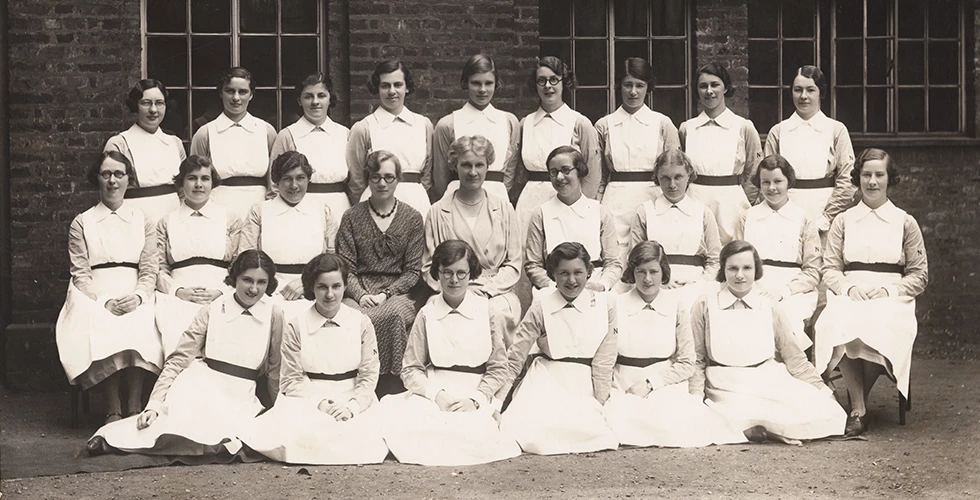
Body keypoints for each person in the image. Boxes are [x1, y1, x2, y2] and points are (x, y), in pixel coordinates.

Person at [88, 250, 284, 456]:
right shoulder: (213, 309)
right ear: (235, 278)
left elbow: (275, 370)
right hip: (201, 384)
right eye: (247, 280)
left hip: (241, 395)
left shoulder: (274, 314)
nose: (253, 289)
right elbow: (178, 360)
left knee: (228, 438)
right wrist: (153, 404)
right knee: (172, 426)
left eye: (261, 282)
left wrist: (279, 411)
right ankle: (109, 440)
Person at [815, 148, 928, 437]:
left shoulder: (905, 222)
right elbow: (830, 269)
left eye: (879, 175)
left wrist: (889, 290)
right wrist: (849, 288)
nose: (872, 182)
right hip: (851, 291)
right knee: (840, 319)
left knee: (880, 325)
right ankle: (859, 408)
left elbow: (919, 275)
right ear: (858, 178)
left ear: (890, 179)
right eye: (866, 175)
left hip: (892, 297)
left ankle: (855, 404)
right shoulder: (843, 220)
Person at [381, 240, 522, 465]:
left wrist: (476, 400)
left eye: (461, 273)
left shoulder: (487, 311)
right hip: (437, 392)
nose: (454, 280)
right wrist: (438, 396)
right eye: (447, 273)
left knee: (474, 434)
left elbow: (498, 368)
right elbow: (410, 369)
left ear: (471, 274)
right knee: (418, 431)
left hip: (475, 392)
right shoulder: (427, 313)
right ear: (437, 273)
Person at [691, 240, 846, 443]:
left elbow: (794, 357)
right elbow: (697, 359)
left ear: (756, 270)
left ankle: (761, 430)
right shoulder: (704, 305)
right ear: (723, 270)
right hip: (724, 385)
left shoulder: (768, 305)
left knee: (828, 412)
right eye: (733, 268)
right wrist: (694, 398)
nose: (740, 275)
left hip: (767, 378)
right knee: (713, 417)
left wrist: (822, 390)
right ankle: (756, 430)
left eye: (747, 268)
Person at [240, 253, 388, 464]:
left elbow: (368, 375)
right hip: (308, 398)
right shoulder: (296, 325)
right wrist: (322, 404)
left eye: (336, 286)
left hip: (352, 396)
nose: (330, 294)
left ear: (345, 286)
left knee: (359, 439)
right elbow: (291, 379)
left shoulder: (361, 323)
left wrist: (351, 408)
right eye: (322, 287)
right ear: (311, 288)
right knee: (304, 436)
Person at [603, 242, 746, 447]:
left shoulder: (676, 304)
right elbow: (606, 358)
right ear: (632, 272)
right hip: (624, 385)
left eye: (654, 271)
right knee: (622, 425)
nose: (647, 279)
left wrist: (651, 384)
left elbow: (688, 362)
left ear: (664, 273)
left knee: (677, 426)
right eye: (641, 271)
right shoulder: (616, 304)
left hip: (664, 384)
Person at [56, 151, 162, 424]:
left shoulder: (143, 220)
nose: (112, 181)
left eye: (119, 174)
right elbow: (80, 273)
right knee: (103, 321)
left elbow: (150, 268)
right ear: (97, 179)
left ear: (128, 180)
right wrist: (103, 301)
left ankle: (135, 402)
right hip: (95, 291)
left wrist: (139, 296)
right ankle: (112, 405)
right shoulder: (82, 222)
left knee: (141, 319)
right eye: (106, 174)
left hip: (134, 287)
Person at [484, 242, 618, 455]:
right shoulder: (541, 305)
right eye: (563, 273)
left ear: (589, 273)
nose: (571, 280)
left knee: (594, 432)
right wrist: (497, 404)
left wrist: (602, 405)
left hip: (585, 383)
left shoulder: (606, 304)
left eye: (578, 272)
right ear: (553, 275)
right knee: (533, 432)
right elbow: (515, 358)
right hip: (546, 381)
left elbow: (604, 361)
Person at [336, 150, 425, 392]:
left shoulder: (412, 218)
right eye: (375, 177)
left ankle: (393, 384)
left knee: (393, 315)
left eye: (389, 177)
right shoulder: (351, 217)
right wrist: (361, 295)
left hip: (398, 293)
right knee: (353, 317)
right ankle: (357, 381)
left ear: (398, 179)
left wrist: (386, 294)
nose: (382, 183)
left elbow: (413, 271)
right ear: (367, 179)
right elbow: (346, 268)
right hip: (358, 291)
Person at [423, 135, 523, 346]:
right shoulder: (438, 211)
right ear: (455, 167)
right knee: (435, 312)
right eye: (466, 165)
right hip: (452, 288)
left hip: (495, 291)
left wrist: (485, 290)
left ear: (488, 166)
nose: (473, 172)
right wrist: (459, 289)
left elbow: (513, 264)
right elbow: (429, 266)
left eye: (479, 165)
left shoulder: (503, 208)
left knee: (496, 312)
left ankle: (500, 373)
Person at [155, 155, 242, 356]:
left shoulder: (230, 219)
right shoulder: (167, 222)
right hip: (178, 299)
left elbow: (240, 265)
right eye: (192, 178)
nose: (198, 184)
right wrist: (178, 291)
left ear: (213, 183)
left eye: (205, 178)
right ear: (181, 182)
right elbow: (158, 268)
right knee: (180, 348)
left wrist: (221, 291)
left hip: (221, 295)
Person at [733, 154, 821, 351]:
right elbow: (735, 261)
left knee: (786, 320)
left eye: (778, 181)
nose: (772, 188)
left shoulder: (804, 218)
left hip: (793, 291)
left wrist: (784, 291)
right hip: (753, 285)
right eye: (766, 182)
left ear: (788, 181)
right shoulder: (746, 218)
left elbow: (813, 271)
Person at [595, 57, 680, 256]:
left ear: (648, 87)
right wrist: (596, 205)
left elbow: (675, 170)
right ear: (619, 86)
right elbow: (598, 176)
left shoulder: (662, 123)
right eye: (628, 85)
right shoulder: (604, 125)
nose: (633, 92)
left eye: (639, 85)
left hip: (653, 197)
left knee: (651, 253)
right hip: (615, 200)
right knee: (617, 252)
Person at [239, 151, 338, 319]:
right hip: (268, 292)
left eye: (300, 178)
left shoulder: (322, 210)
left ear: (308, 179)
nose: (294, 185)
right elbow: (245, 258)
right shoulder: (259, 211)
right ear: (277, 182)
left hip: (316, 290)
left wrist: (307, 283)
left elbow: (334, 259)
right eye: (287, 178)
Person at [514, 56, 601, 237]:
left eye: (554, 79)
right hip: (530, 203)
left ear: (564, 82)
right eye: (542, 80)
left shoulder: (579, 123)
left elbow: (593, 173)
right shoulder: (525, 124)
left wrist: (579, 207)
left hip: (567, 201)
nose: (548, 86)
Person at [765, 65, 856, 237]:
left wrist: (827, 217)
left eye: (810, 90)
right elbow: (767, 178)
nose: (803, 96)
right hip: (785, 211)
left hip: (825, 212)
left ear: (820, 92)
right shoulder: (778, 132)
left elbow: (847, 179)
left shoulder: (836, 130)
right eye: (798, 90)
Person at [680, 62, 763, 244]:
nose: (709, 91)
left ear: (725, 87)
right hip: (695, 200)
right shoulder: (687, 128)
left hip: (731, 204)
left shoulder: (743, 127)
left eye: (714, 84)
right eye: (703, 86)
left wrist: (739, 197)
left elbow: (754, 170)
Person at [628, 149, 722, 308]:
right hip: (655, 288)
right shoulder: (645, 212)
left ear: (689, 176)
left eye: (678, 177)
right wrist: (659, 282)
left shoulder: (703, 212)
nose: (672, 185)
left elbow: (715, 259)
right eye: (665, 178)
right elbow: (634, 259)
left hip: (696, 288)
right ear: (657, 178)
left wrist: (701, 284)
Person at [525, 146, 623, 294]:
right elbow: (533, 264)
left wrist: (602, 285)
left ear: (580, 171)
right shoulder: (541, 214)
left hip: (594, 287)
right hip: (553, 289)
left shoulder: (599, 211)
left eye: (565, 170)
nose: (559, 177)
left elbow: (613, 262)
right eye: (553, 172)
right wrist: (554, 286)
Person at [347, 59, 433, 219]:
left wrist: (418, 194)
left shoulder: (423, 124)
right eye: (385, 86)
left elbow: (427, 174)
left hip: (417, 202)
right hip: (376, 205)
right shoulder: (364, 128)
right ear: (377, 89)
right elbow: (356, 180)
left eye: (398, 85)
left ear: (407, 87)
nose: (392, 91)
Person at [190, 67, 278, 219]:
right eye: (230, 91)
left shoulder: (266, 131)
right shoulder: (205, 133)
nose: (236, 98)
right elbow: (194, 177)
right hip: (218, 208)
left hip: (259, 208)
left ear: (251, 95)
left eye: (242, 92)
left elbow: (275, 179)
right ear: (220, 93)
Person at [431, 54, 520, 202]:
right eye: (476, 83)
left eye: (489, 83)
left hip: (497, 199)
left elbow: (510, 171)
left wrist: (498, 192)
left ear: (496, 84)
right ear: (466, 83)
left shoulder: (509, 121)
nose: (482, 90)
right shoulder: (447, 124)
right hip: (458, 198)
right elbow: (440, 177)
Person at [269, 72, 352, 217]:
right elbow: (274, 184)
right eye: (308, 96)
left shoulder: (345, 134)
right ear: (299, 100)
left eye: (321, 95)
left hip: (340, 207)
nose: (315, 102)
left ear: (329, 98)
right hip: (301, 208)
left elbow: (355, 180)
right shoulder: (287, 135)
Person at [103, 79, 186, 222]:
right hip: (134, 219)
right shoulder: (119, 143)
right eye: (146, 103)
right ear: (136, 105)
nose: (153, 110)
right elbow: (110, 192)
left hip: (173, 216)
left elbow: (184, 189)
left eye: (159, 103)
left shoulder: (175, 142)